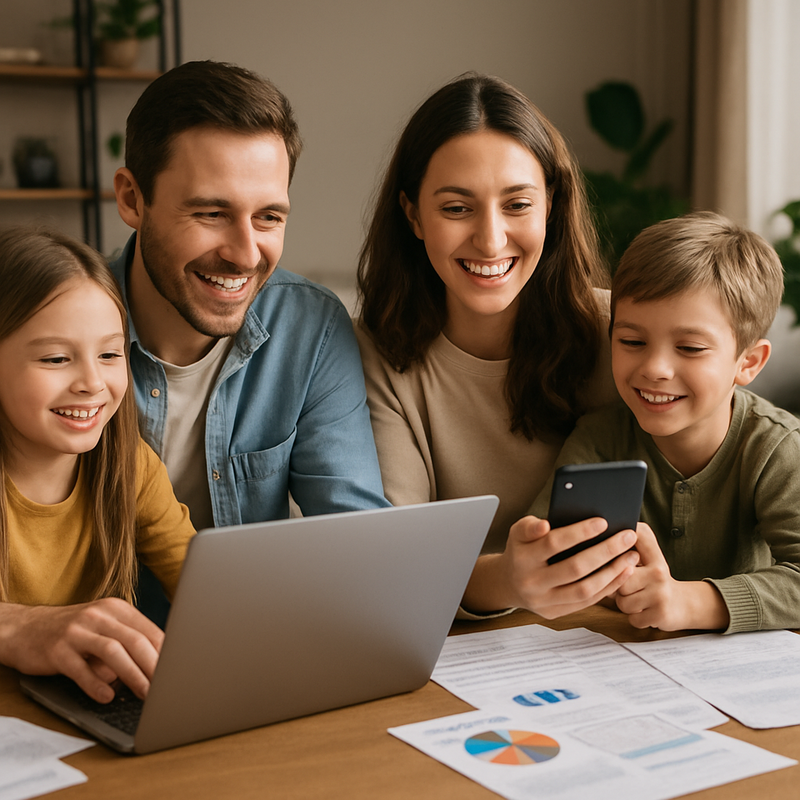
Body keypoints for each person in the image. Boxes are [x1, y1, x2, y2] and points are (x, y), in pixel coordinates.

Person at [356, 73, 640, 619]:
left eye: (517, 204)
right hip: (457, 643)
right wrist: (508, 580)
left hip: (615, 632)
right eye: (456, 208)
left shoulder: (623, 336)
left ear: (550, 206)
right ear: (413, 215)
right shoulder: (371, 354)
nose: (490, 240)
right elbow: (399, 561)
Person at [111, 60, 387, 538]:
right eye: (211, 213)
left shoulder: (311, 328)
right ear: (132, 200)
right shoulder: (47, 327)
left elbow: (357, 537)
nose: (245, 255)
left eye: (268, 218)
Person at [530, 211, 800, 633]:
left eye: (690, 348)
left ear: (748, 362)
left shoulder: (776, 448)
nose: (655, 368)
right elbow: (550, 559)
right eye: (632, 341)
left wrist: (693, 602)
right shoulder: (599, 439)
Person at [0, 226, 195, 703]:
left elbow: (209, 592)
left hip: (84, 712)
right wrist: (20, 625)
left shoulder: (131, 466)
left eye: (110, 353)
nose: (92, 382)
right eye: (55, 358)